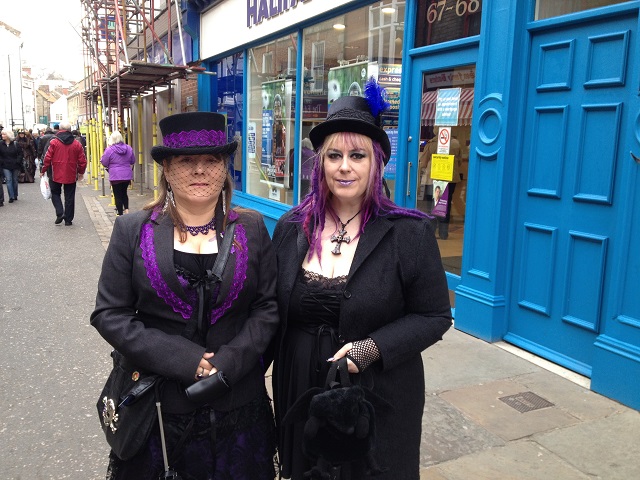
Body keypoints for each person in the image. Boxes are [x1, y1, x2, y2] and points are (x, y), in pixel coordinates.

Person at [271, 83, 453, 479]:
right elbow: (268, 307)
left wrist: (369, 350)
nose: (344, 166)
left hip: (377, 392)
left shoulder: (409, 234)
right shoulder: (291, 228)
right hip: (301, 383)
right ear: (320, 163)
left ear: (377, 163)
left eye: (357, 155)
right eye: (334, 156)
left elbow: (435, 316)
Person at [91, 112, 279, 480]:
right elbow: (109, 313)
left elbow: (267, 307)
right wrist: (184, 358)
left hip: (238, 405)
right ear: (166, 169)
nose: (199, 171)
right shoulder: (131, 230)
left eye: (211, 160)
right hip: (160, 408)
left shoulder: (253, 227)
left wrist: (230, 361)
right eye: (186, 161)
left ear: (225, 168)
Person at [41, 121, 87, 226]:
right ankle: (68, 219)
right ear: (70, 130)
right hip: (71, 173)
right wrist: (80, 172)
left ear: (59, 129)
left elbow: (47, 157)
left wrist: (43, 170)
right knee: (69, 196)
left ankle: (59, 211)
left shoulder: (53, 142)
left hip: (54, 172)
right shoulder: (77, 143)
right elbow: (82, 160)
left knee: (55, 193)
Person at [101, 130, 135, 215]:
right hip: (126, 174)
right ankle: (127, 210)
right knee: (124, 193)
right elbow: (132, 161)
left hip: (115, 175)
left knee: (117, 195)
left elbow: (104, 162)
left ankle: (120, 214)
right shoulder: (128, 148)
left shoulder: (109, 150)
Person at [0, 129, 24, 203]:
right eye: (2, 134)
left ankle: (15, 194)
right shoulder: (1, 144)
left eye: (4, 134)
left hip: (15, 165)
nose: (2, 136)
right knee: (8, 180)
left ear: (8, 135)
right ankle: (11, 196)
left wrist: (18, 161)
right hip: (5, 165)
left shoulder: (15, 144)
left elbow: (20, 154)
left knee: (15, 180)